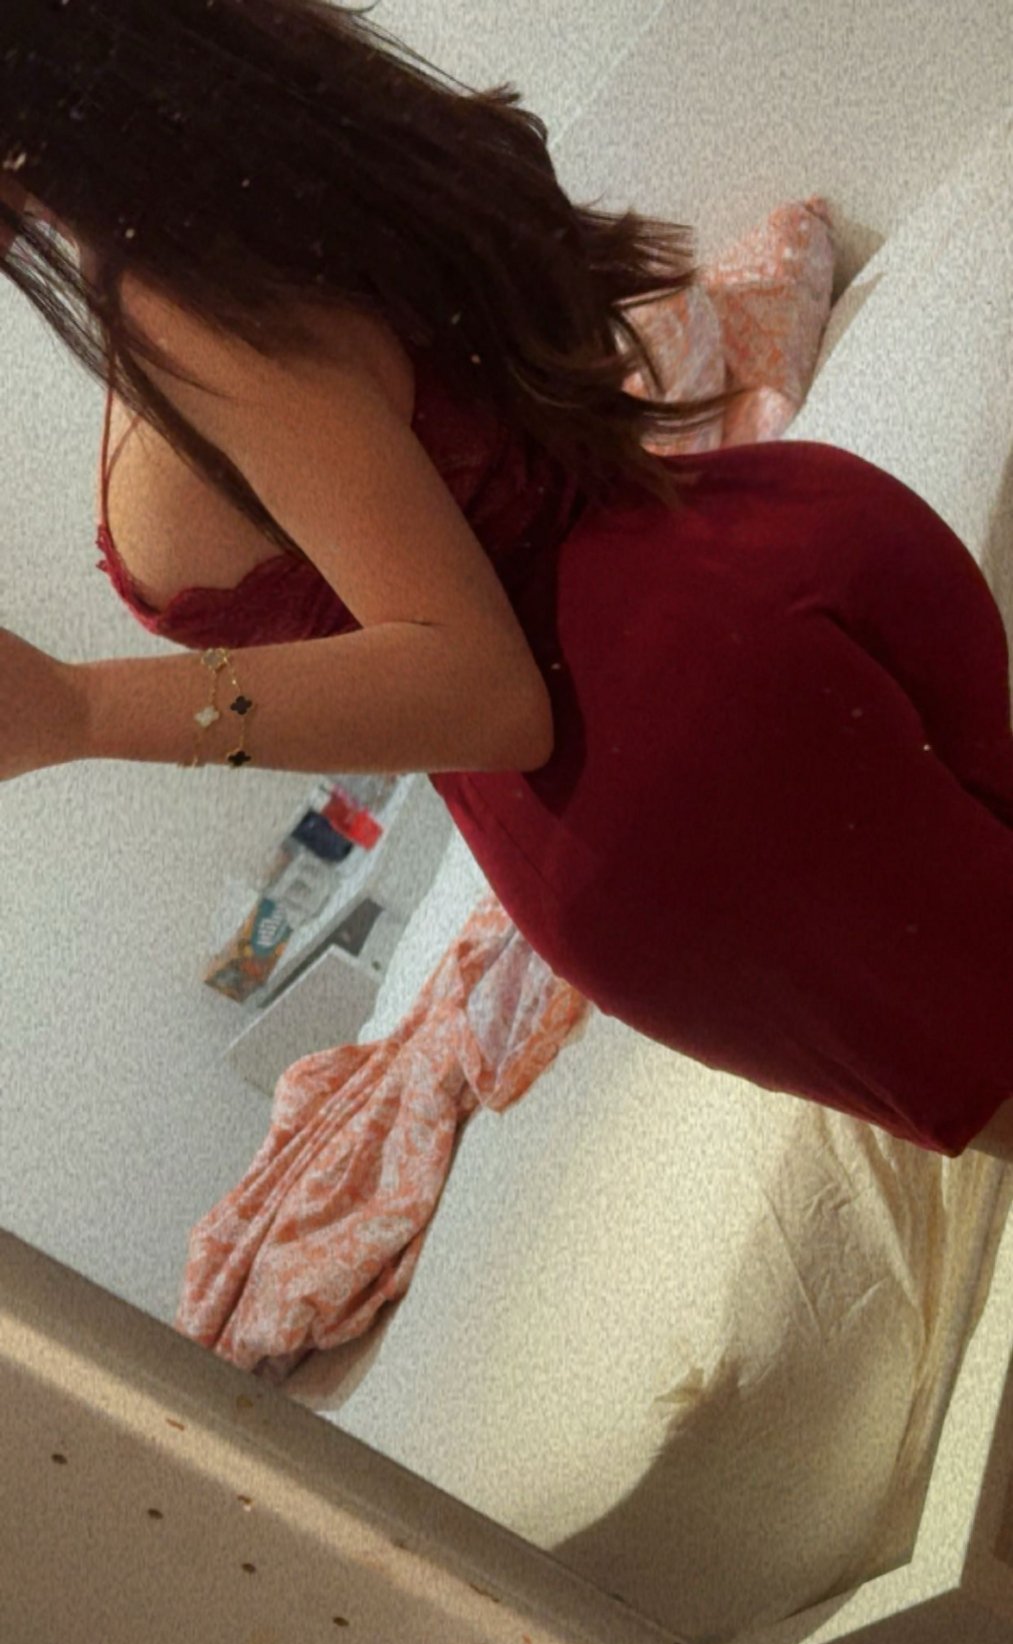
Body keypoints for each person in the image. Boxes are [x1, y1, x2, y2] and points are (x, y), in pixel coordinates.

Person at [1, 0, 1012, 1163]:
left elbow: (480, 689)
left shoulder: (181, 300)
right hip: (770, 545)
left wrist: (78, 710)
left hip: (679, 773)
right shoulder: (269, 119)